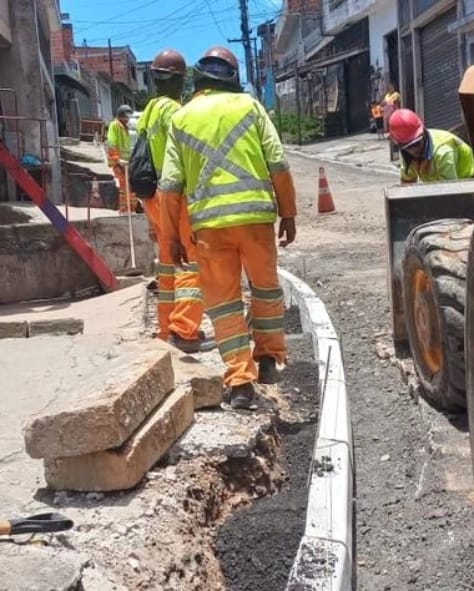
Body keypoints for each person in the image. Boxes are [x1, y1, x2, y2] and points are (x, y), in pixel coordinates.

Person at [160, 46, 297, 409]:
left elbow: (170, 186)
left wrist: (171, 237)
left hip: (208, 229)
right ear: (233, 77)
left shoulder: (182, 118)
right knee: (266, 290)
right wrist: (290, 212)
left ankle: (240, 383)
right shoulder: (250, 107)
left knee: (223, 305)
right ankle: (268, 358)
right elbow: (279, 164)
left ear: (199, 78)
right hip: (255, 221)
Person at [137, 49, 213, 354]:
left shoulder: (150, 110)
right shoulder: (173, 111)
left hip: (152, 197)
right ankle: (186, 331)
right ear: (180, 80)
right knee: (192, 263)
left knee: (168, 265)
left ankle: (168, 329)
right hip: (174, 198)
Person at [389, 108, 474, 183]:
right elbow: (407, 185)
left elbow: (450, 193)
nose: (414, 150)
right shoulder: (407, 154)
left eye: (417, 143)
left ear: (423, 133)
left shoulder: (443, 152)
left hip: (468, 184)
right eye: (409, 147)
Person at [107, 104, 138, 213]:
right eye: (127, 117)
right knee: (124, 188)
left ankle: (132, 208)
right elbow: (111, 143)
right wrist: (117, 159)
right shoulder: (114, 125)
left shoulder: (125, 127)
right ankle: (125, 210)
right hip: (119, 163)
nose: (128, 119)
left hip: (127, 163)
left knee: (130, 187)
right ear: (122, 116)